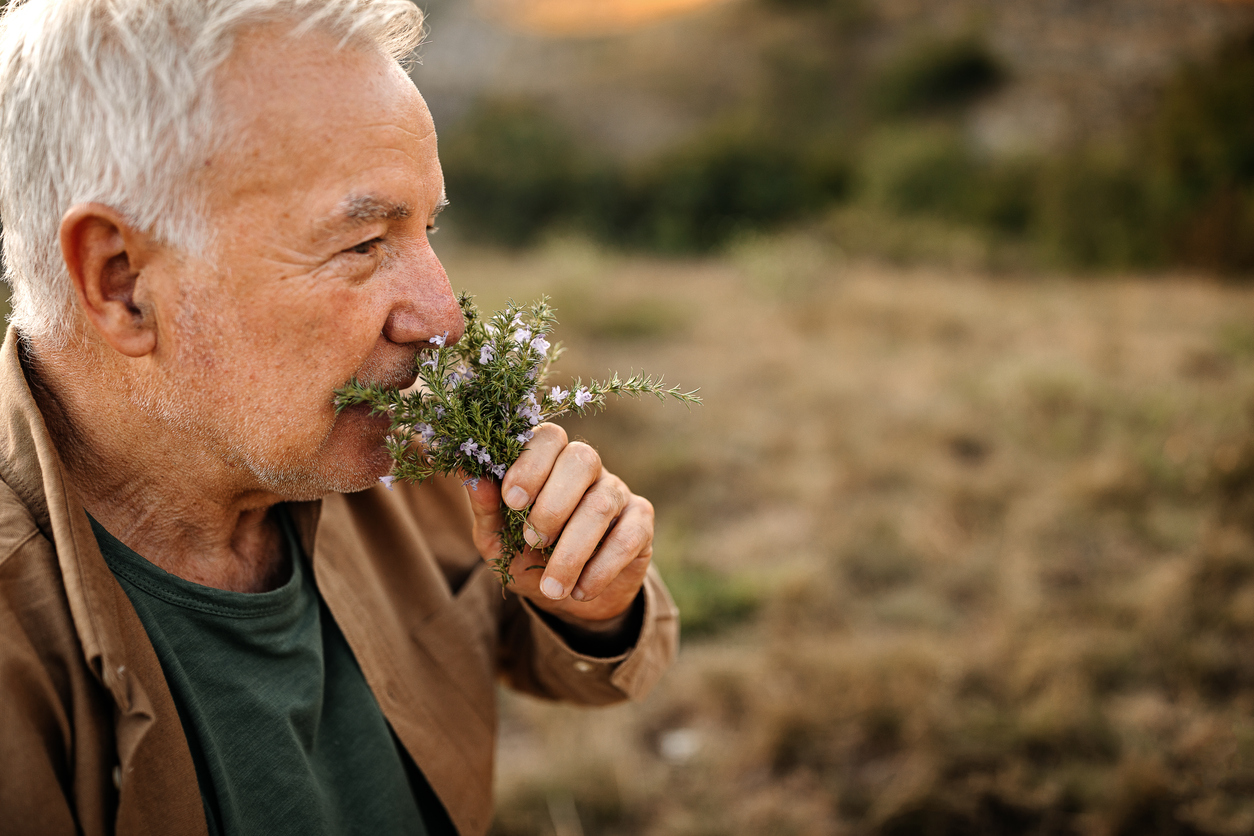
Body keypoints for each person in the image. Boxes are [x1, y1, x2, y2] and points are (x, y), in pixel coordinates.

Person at [0, 2, 679, 835]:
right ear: (122, 282)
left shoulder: (387, 451)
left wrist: (591, 599)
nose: (442, 318)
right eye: (364, 245)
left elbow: (583, 664)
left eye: (426, 228)